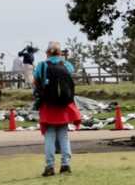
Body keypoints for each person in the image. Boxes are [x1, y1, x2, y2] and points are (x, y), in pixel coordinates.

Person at [34, 41, 78, 176]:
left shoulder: (41, 65)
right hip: (64, 106)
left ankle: (49, 166)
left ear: (47, 52)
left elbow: (35, 82)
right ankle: (65, 164)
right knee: (64, 136)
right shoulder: (67, 65)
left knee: (49, 136)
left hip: (48, 105)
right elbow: (71, 81)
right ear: (60, 53)